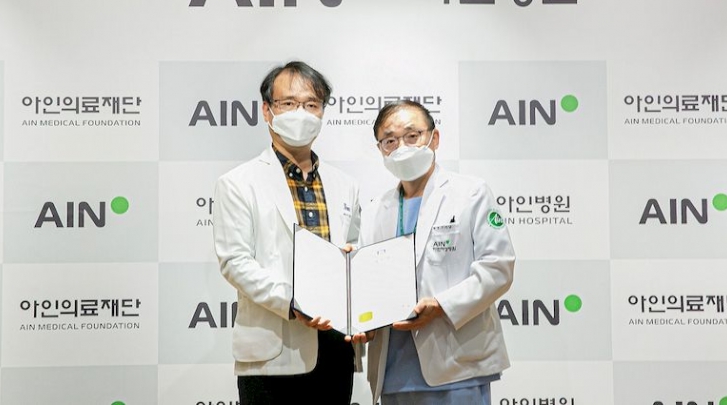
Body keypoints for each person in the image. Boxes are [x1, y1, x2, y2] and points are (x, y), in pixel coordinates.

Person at [213, 61, 361, 405]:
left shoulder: (345, 185)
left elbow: (354, 252)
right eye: (289, 103)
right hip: (272, 353)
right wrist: (294, 303)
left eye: (311, 104)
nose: (301, 113)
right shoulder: (238, 183)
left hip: (335, 348)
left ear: (322, 112)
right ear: (267, 110)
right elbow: (235, 262)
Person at [353, 99, 516, 405]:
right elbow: (369, 285)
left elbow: (498, 267)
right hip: (393, 371)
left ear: (434, 138)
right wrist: (361, 321)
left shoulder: (470, 193)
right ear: (381, 150)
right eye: (390, 140)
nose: (401, 147)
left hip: (457, 364)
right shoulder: (375, 211)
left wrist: (441, 305)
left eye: (412, 136)